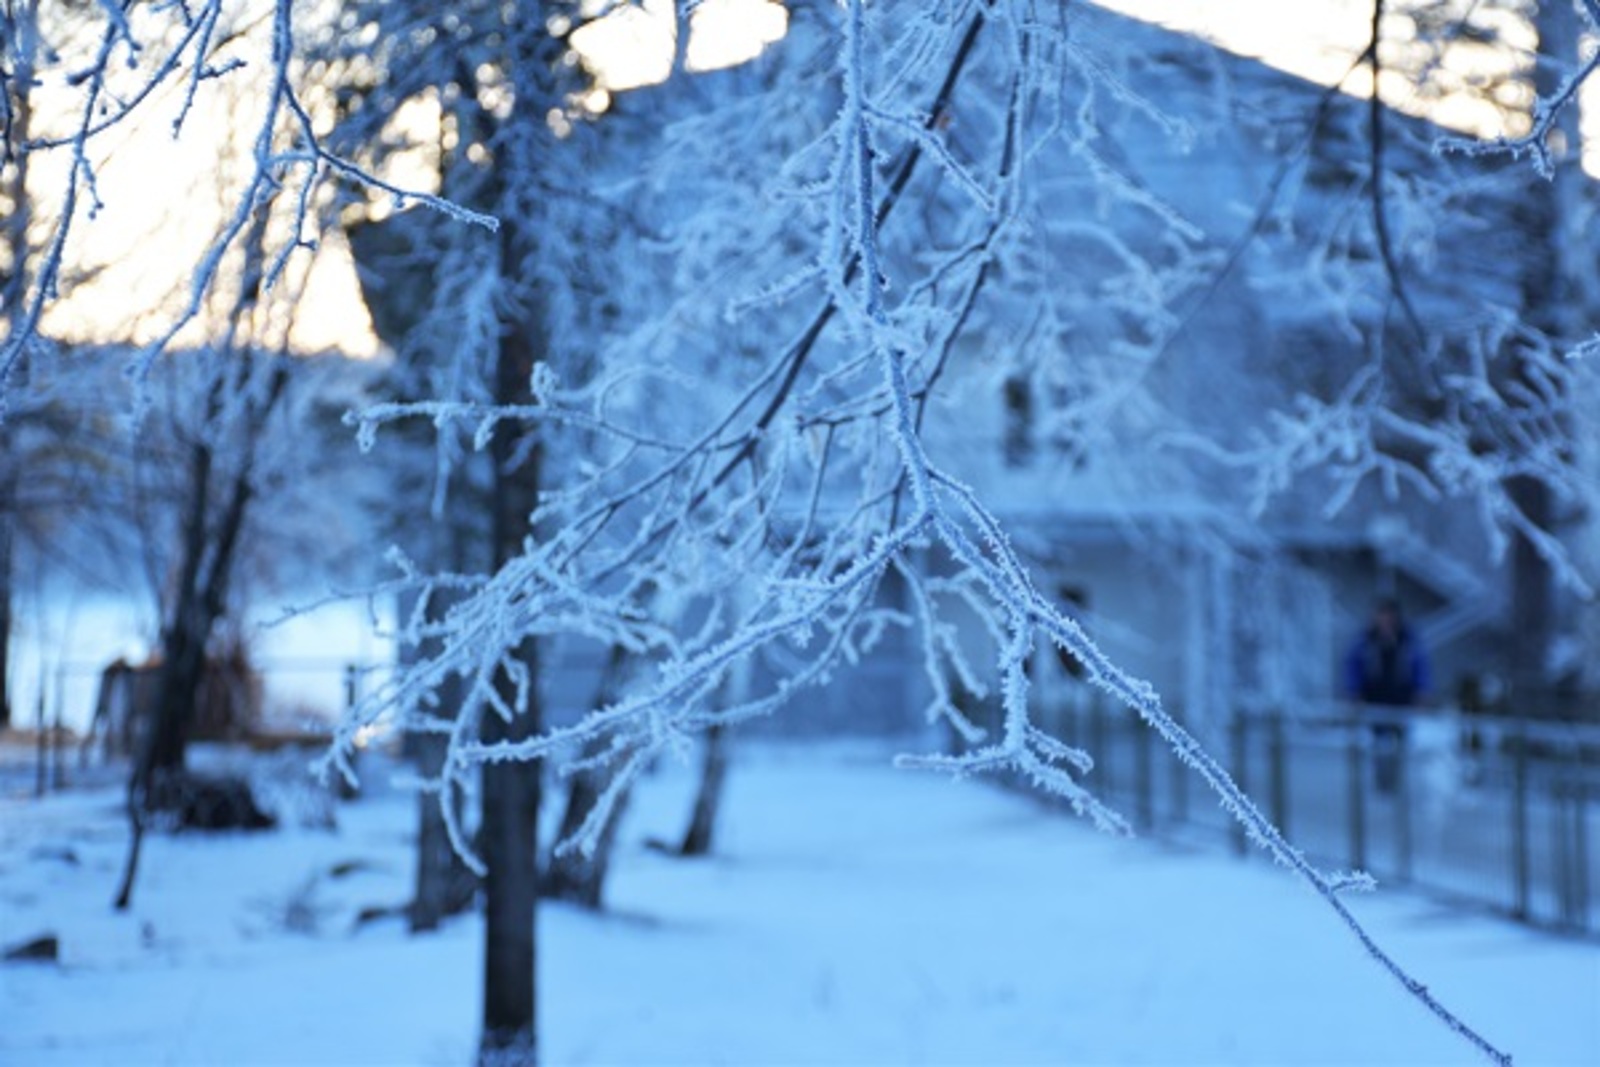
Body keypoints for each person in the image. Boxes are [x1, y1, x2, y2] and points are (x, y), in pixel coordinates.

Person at [1343, 598, 1431, 794]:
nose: (1385, 620)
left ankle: (1394, 780)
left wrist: (1421, 692)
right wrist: (1354, 692)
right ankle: (1382, 780)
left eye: (1388, 616)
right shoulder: (1365, 641)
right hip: (1375, 699)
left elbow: (1421, 667)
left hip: (1401, 700)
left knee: (1399, 741)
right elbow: (1353, 667)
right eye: (1381, 616)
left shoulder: (1409, 641)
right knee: (1379, 741)